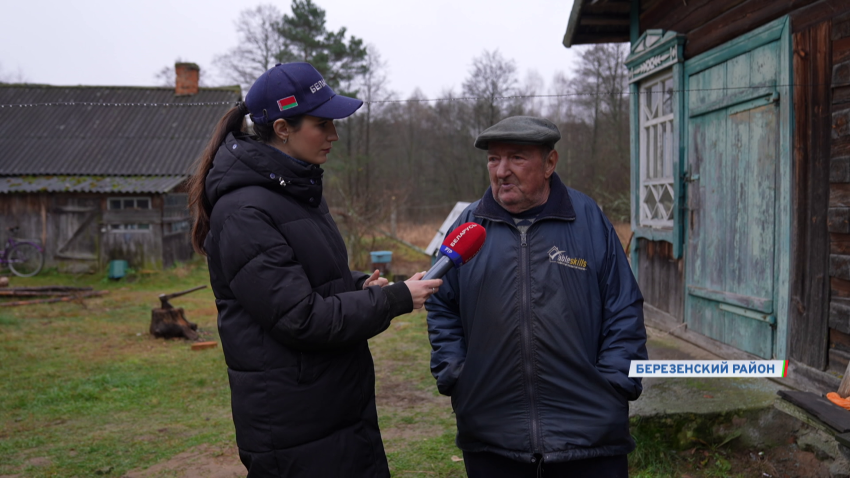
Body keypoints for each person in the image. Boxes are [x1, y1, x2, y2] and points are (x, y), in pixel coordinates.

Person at [188, 62, 442, 477]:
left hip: (332, 407)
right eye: (322, 124)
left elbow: (312, 280)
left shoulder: (296, 193)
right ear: (284, 127)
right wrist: (394, 299)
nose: (334, 136)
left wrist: (360, 284)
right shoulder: (244, 212)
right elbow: (299, 316)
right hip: (294, 425)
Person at [426, 116, 647, 478]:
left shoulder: (588, 220)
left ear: (549, 164)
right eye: (494, 159)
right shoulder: (467, 228)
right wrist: (456, 373)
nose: (501, 171)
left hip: (589, 436)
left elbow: (623, 307)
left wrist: (615, 383)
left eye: (516, 158)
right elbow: (440, 302)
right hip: (491, 433)